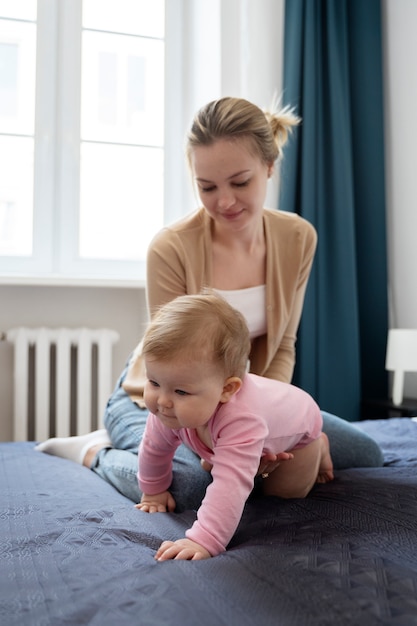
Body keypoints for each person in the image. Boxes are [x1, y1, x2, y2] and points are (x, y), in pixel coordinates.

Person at [36, 96, 383, 509]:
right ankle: (96, 452)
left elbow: (283, 345)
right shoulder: (171, 247)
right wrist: (225, 450)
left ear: (269, 168)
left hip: (233, 397)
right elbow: (171, 355)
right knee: (190, 490)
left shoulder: (298, 237)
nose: (225, 201)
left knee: (365, 455)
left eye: (240, 182)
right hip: (165, 397)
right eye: (207, 187)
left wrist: (267, 425)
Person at [135, 293, 333, 560]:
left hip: (298, 429)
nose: (162, 401)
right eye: (154, 383)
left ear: (227, 389)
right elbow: (154, 449)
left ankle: (318, 446)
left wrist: (204, 539)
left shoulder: (242, 420)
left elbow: (231, 484)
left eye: (181, 391)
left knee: (282, 497)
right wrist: (154, 491)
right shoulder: (169, 407)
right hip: (242, 427)